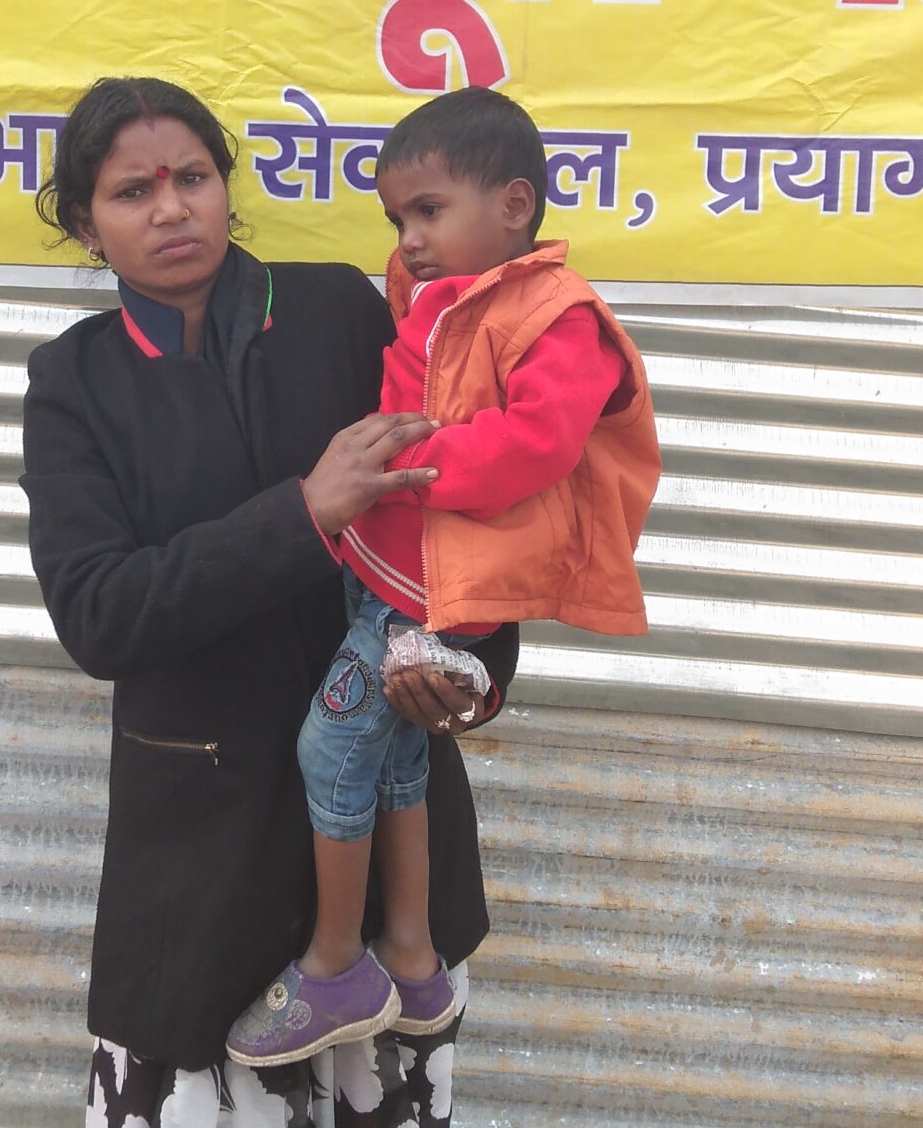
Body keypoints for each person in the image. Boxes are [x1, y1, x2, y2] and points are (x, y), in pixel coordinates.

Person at [20, 75, 516, 1128]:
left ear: (225, 188)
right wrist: (303, 513)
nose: (170, 208)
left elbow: (470, 498)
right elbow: (99, 615)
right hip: (202, 844)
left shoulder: (342, 311)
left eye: (191, 177)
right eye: (130, 192)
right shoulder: (76, 381)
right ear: (87, 225)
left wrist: (468, 667)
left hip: (383, 811)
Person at [225, 86, 660, 1068]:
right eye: (396, 219)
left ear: (514, 205)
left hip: (434, 596)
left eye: (428, 211)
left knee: (330, 752)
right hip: (387, 570)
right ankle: (415, 960)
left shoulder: (561, 318)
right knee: (394, 763)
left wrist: (407, 463)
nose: (408, 239)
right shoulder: (444, 294)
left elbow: (539, 443)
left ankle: (337, 964)